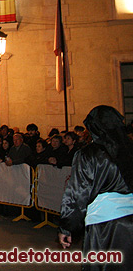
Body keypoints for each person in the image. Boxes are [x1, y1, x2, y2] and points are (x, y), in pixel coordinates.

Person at [59, 106, 133, 270]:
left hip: (104, 224)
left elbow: (78, 193)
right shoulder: (129, 149)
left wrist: (67, 226)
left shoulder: (88, 153)